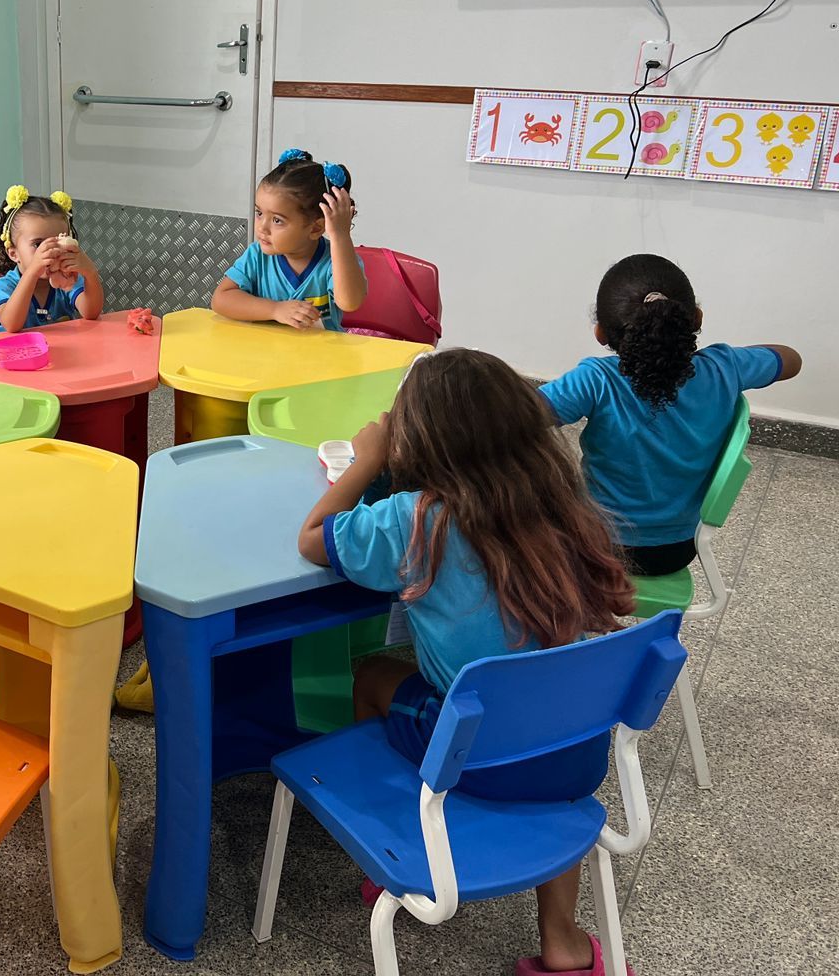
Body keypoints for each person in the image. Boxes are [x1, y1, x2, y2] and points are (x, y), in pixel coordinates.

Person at [299, 349, 637, 975]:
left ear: (417, 440)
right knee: (539, 722)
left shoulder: (417, 518)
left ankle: (397, 846)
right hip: (575, 755)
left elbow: (314, 538)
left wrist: (368, 459)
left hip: (476, 756)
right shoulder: (564, 504)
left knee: (373, 675)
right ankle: (562, 940)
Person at [540, 254, 801, 576]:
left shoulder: (596, 379)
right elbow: (791, 360)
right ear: (697, 319)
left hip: (599, 543)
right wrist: (728, 357)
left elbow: (516, 413)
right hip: (678, 548)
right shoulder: (724, 367)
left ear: (600, 333)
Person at [211, 148, 366, 330]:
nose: (262, 227)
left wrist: (340, 236)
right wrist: (275, 310)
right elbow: (220, 299)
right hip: (265, 348)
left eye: (277, 220)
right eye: (259, 213)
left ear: (316, 228)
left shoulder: (335, 260)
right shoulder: (256, 256)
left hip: (320, 349)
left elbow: (349, 303)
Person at [0, 186, 104, 333]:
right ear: (13, 253)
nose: (50, 251)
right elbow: (11, 325)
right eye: (38, 244)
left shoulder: (66, 281)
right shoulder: (4, 286)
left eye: (58, 241)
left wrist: (91, 273)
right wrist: (32, 273)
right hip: (18, 348)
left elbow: (91, 313)